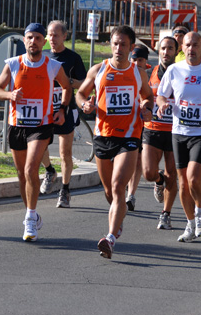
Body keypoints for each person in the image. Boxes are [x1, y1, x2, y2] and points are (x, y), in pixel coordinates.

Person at [76, 26, 154, 259]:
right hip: (103, 135)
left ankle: (109, 238)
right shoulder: (99, 70)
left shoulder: (138, 73)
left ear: (131, 48)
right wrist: (85, 105)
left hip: (129, 137)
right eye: (115, 43)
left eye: (123, 45)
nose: (119, 48)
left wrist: (146, 107)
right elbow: (80, 93)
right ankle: (117, 217)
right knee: (109, 191)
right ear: (110, 44)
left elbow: (148, 95)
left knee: (119, 186)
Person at [0, 23, 72, 242]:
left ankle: (28, 219)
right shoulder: (13, 64)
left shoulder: (53, 66)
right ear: (24, 40)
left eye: (37, 38)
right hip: (17, 125)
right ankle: (33, 213)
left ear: (43, 41)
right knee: (21, 174)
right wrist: (9, 96)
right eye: (29, 37)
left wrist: (62, 109)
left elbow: (66, 86)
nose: (33, 41)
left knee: (30, 169)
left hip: (41, 125)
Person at [157, 31, 201, 243]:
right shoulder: (174, 70)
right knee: (182, 183)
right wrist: (162, 104)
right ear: (183, 47)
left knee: (193, 177)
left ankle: (200, 211)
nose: (191, 48)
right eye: (187, 45)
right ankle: (190, 224)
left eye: (195, 45)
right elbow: (162, 94)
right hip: (179, 131)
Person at [39, 21, 88, 209]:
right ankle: (50, 171)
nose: (52, 39)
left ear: (64, 36)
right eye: (49, 35)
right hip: (44, 109)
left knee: (64, 152)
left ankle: (65, 190)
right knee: (41, 145)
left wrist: (67, 80)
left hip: (65, 107)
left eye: (56, 35)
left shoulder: (72, 58)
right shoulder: (42, 56)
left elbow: (83, 83)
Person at [141, 36, 179, 229]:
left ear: (176, 51)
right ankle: (159, 179)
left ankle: (166, 213)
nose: (166, 52)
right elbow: (144, 96)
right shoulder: (150, 73)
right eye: (163, 48)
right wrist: (144, 105)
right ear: (158, 50)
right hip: (152, 129)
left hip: (175, 131)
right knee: (148, 172)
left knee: (173, 172)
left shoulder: (182, 73)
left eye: (170, 48)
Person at [126, 45, 150, 211]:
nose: (136, 63)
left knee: (138, 160)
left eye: (140, 60)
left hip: (143, 124)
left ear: (145, 61)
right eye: (134, 59)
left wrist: (147, 105)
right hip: (124, 123)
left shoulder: (151, 75)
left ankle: (131, 195)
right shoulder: (126, 73)